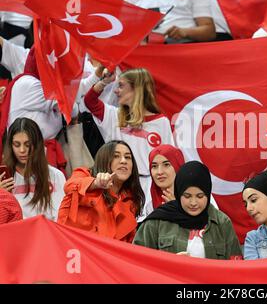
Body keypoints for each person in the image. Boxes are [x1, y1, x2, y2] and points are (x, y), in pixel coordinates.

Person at [84, 67, 175, 221]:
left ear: (136, 90)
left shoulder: (161, 122)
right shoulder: (114, 116)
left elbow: (170, 161)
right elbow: (89, 101)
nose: (116, 91)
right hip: (118, 187)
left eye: (121, 86)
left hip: (150, 190)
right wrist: (104, 82)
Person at [133, 161, 242, 259]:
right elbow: (137, 262)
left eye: (200, 196)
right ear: (178, 193)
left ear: (208, 195)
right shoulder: (157, 221)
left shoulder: (222, 223)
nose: (193, 203)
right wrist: (169, 264)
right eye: (187, 196)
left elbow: (235, 267)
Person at [58, 140, 145, 242]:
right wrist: (96, 184)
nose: (123, 161)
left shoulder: (131, 201)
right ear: (104, 159)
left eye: (128, 157)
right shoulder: (84, 174)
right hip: (75, 252)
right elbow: (69, 186)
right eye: (116, 156)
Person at [0, 47, 67, 174]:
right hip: (21, 163)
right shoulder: (29, 84)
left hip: (42, 158)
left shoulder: (33, 85)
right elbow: (72, 109)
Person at [0, 118, 65, 221]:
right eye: (17, 145)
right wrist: (2, 196)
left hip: (49, 233)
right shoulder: (4, 177)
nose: (22, 150)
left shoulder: (56, 175)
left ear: (38, 144)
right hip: (17, 234)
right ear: (10, 146)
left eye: (27, 144)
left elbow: (62, 216)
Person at [124, 0, 216, 43]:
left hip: (183, 46)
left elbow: (209, 32)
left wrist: (185, 32)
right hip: (147, 48)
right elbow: (123, 29)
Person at [149, 144, 185, 209]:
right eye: (154, 166)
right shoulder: (149, 207)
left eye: (166, 165)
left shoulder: (195, 201)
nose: (160, 172)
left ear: (178, 166)